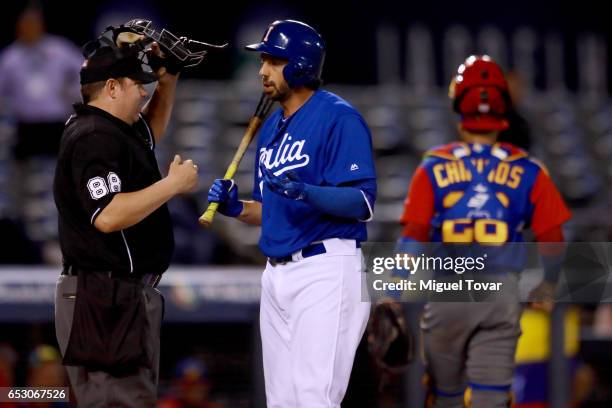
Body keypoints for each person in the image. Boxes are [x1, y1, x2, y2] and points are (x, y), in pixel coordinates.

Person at [207, 19, 377, 408]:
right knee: (281, 402)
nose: (262, 70)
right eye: (263, 60)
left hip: (325, 268)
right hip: (276, 274)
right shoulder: (270, 129)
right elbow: (272, 210)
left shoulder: (338, 117)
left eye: (273, 60)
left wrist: (307, 192)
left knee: (314, 398)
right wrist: (237, 208)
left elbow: (362, 202)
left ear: (300, 64)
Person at [398, 55, 571, 407]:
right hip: (499, 294)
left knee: (445, 397)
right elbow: (553, 239)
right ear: (504, 108)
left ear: (457, 103)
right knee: (490, 399)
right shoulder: (530, 169)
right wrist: (548, 285)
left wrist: (395, 287)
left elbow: (412, 237)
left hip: (448, 291)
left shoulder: (433, 165)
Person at [52, 24, 199, 407]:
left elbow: (150, 132)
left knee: (129, 397)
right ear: (112, 87)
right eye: (138, 85)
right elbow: (108, 216)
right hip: (104, 297)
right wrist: (172, 185)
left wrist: (169, 82)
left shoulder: (114, 129)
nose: (144, 92)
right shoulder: (93, 137)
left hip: (116, 296)